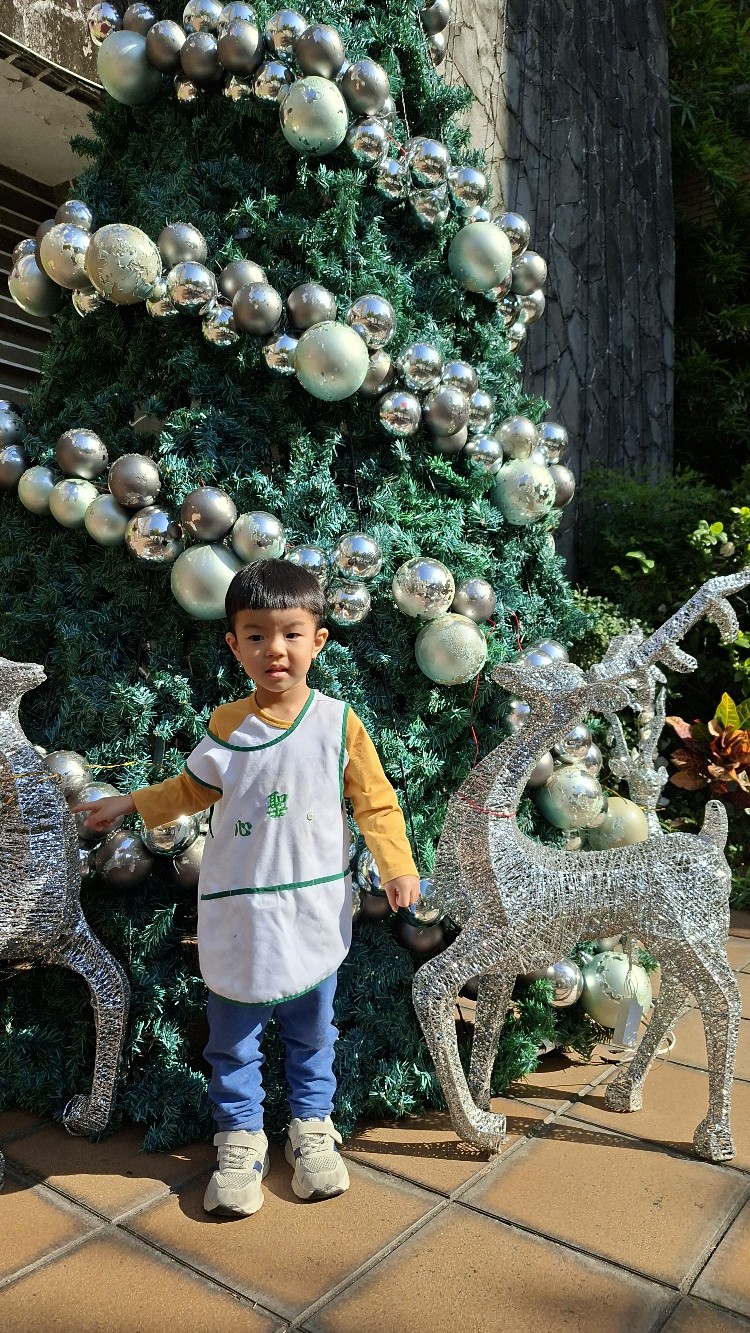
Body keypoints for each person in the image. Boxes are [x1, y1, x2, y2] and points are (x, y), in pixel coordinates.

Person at [73, 559, 421, 1218]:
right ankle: (239, 1139)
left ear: (319, 639)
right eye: (256, 635)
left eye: (291, 633)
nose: (275, 649)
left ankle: (312, 1128)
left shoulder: (337, 724)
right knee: (232, 1037)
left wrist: (397, 865)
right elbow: (190, 790)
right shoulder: (228, 725)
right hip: (240, 911)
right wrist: (128, 803)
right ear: (234, 645)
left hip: (312, 908)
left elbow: (375, 802)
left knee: (312, 1031)